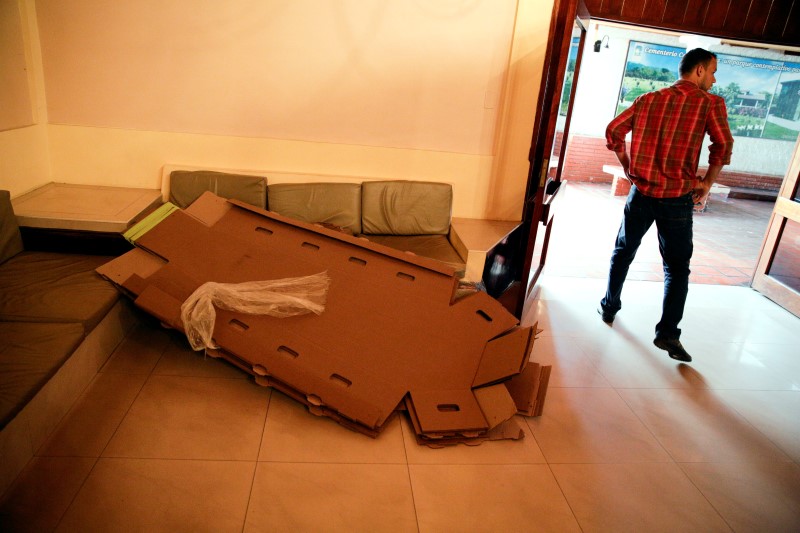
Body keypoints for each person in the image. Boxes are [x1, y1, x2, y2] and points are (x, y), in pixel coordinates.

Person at [598, 48, 734, 363]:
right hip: (676, 200)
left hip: (642, 194)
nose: (713, 81)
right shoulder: (710, 104)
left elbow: (613, 131)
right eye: (712, 72)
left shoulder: (648, 99)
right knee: (676, 268)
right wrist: (707, 183)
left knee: (623, 251)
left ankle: (609, 306)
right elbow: (723, 145)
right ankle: (668, 333)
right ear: (699, 70)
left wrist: (629, 165)